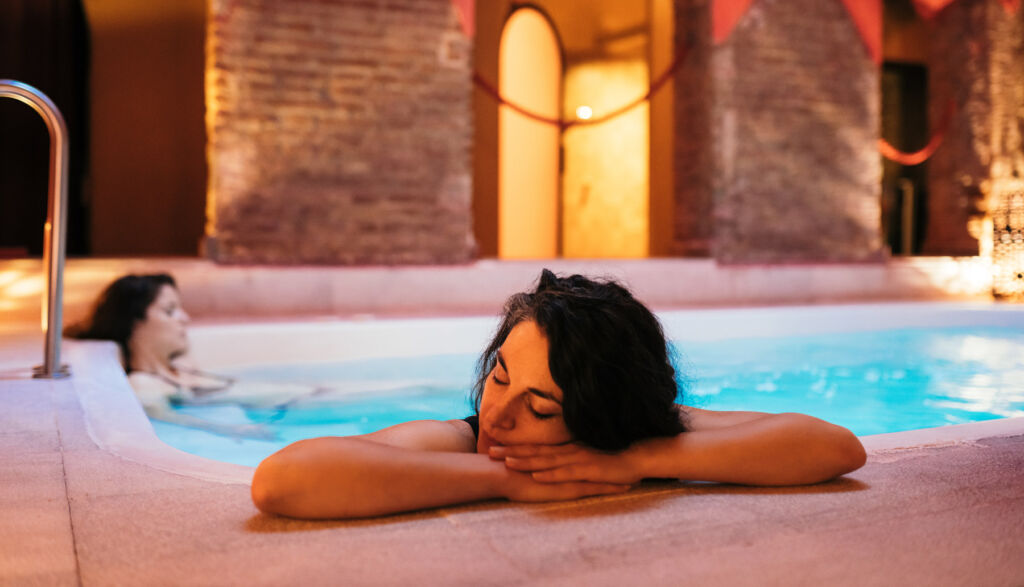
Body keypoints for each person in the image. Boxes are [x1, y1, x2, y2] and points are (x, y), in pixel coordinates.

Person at [251, 270, 867, 520]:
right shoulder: (464, 441)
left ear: (605, 417)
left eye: (540, 407)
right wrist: (508, 482)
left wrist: (640, 461)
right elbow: (280, 481)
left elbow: (835, 447)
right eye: (499, 376)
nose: (498, 414)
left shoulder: (637, 430)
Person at [66, 273, 314, 440]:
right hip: (305, 411)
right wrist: (235, 430)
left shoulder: (177, 370)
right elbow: (169, 419)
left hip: (301, 404)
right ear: (135, 323)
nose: (184, 318)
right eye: (170, 310)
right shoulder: (145, 383)